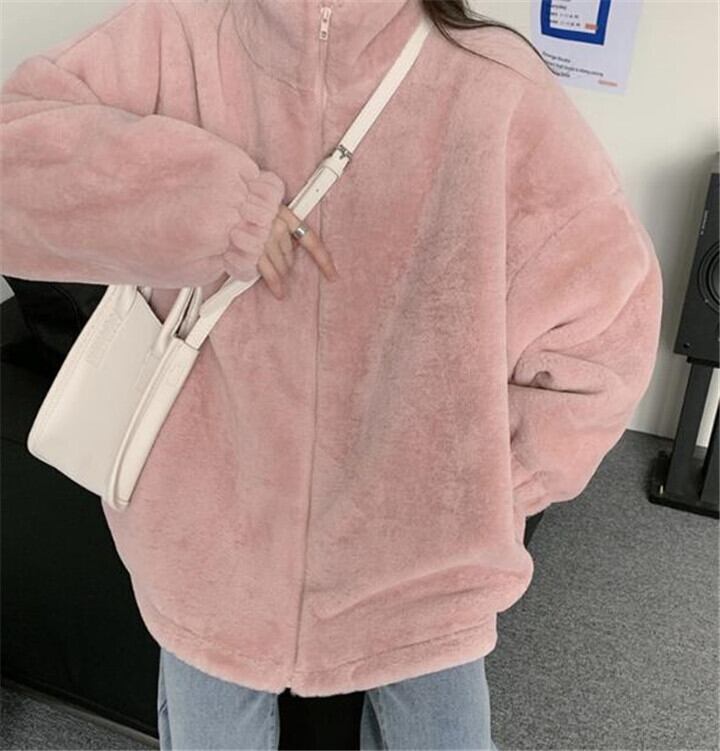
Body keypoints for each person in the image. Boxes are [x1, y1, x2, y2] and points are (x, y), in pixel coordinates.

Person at [0, 0, 663, 748]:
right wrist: (209, 205)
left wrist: (489, 481)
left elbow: (611, 324)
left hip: (421, 552)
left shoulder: (493, 84)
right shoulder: (178, 33)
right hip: (212, 535)